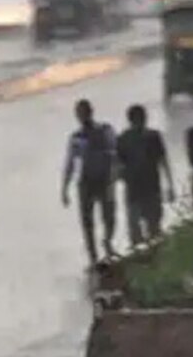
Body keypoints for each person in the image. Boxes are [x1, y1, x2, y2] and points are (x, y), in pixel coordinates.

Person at [61, 99, 118, 267]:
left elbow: (114, 155)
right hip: (86, 182)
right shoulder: (76, 138)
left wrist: (114, 178)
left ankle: (107, 241)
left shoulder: (105, 130)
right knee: (87, 222)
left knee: (109, 217)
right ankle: (93, 257)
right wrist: (64, 188)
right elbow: (70, 163)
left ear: (91, 112)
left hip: (104, 178)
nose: (82, 117)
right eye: (79, 114)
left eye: (84, 113)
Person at [116, 104, 175, 246]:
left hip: (147, 190)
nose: (141, 121)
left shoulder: (152, 137)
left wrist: (170, 185)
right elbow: (118, 165)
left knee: (152, 228)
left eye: (141, 118)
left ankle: (151, 258)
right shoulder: (124, 139)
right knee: (139, 231)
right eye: (139, 119)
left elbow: (163, 161)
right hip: (138, 191)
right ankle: (147, 258)